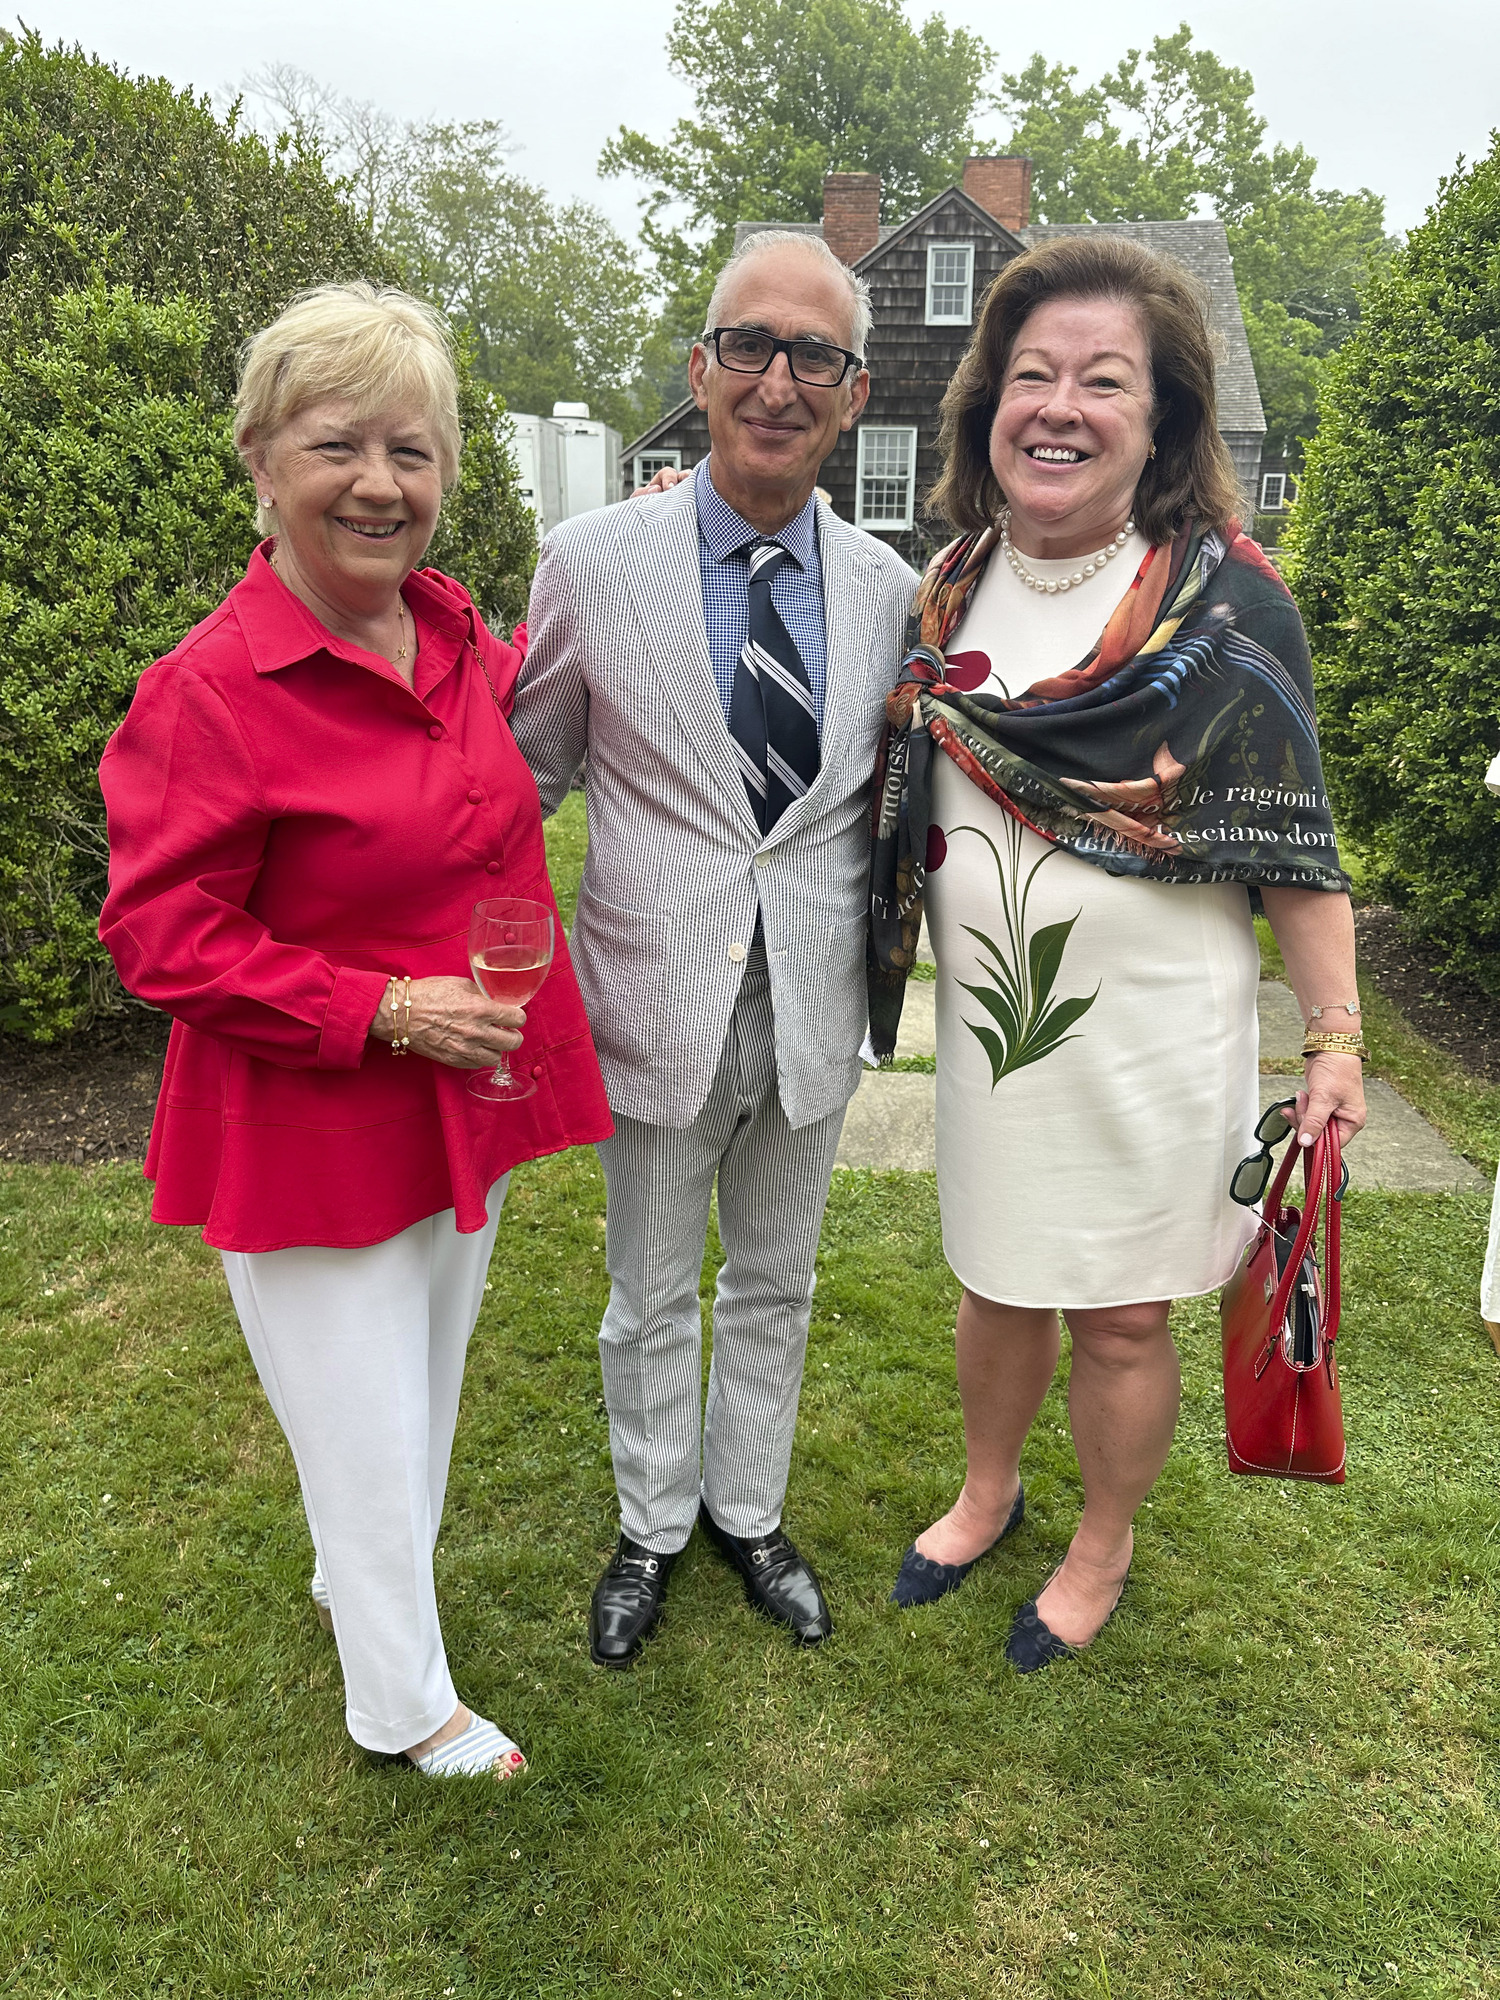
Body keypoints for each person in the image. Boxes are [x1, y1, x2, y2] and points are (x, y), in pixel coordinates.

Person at [98, 283, 611, 1773]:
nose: (382, 484)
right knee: (366, 1417)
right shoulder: (211, 690)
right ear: (260, 459)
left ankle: (359, 1583)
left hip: (469, 1093)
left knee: (428, 1386)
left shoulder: (449, 635)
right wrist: (378, 1006)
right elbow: (158, 931)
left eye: (415, 449)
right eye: (339, 446)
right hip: (310, 1115)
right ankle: (402, 1704)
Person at [868, 235, 1368, 1669]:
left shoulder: (1224, 604)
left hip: (1153, 1036)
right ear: (987, 408)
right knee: (997, 1274)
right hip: (992, 1035)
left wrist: (1334, 1039)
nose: (1060, 406)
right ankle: (987, 1491)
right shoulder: (950, 589)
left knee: (1123, 1315)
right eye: (1031, 375)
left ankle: (1102, 1542)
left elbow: (1294, 842)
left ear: (1162, 423)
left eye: (1104, 379)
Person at [512, 231, 917, 1666]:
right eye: (750, 344)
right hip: (650, 995)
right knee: (646, 1289)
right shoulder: (590, 564)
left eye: (815, 355)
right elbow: (522, 779)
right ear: (699, 369)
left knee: (775, 1280)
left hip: (812, 1001)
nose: (778, 380)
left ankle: (748, 1511)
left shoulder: (886, 586)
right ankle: (651, 1524)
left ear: (853, 392)